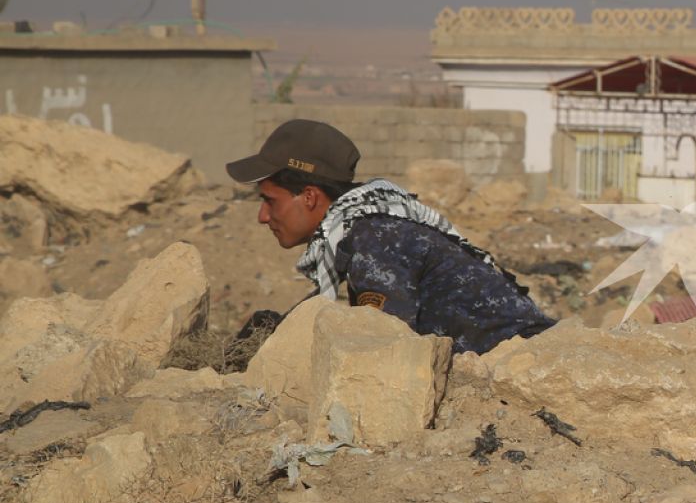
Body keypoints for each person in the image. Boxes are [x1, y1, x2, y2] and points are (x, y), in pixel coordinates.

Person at [227, 119, 554, 357]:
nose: (263, 217)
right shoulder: (368, 228)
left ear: (310, 196)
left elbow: (382, 348)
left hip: (530, 362)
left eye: (270, 201)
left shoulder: (375, 240)